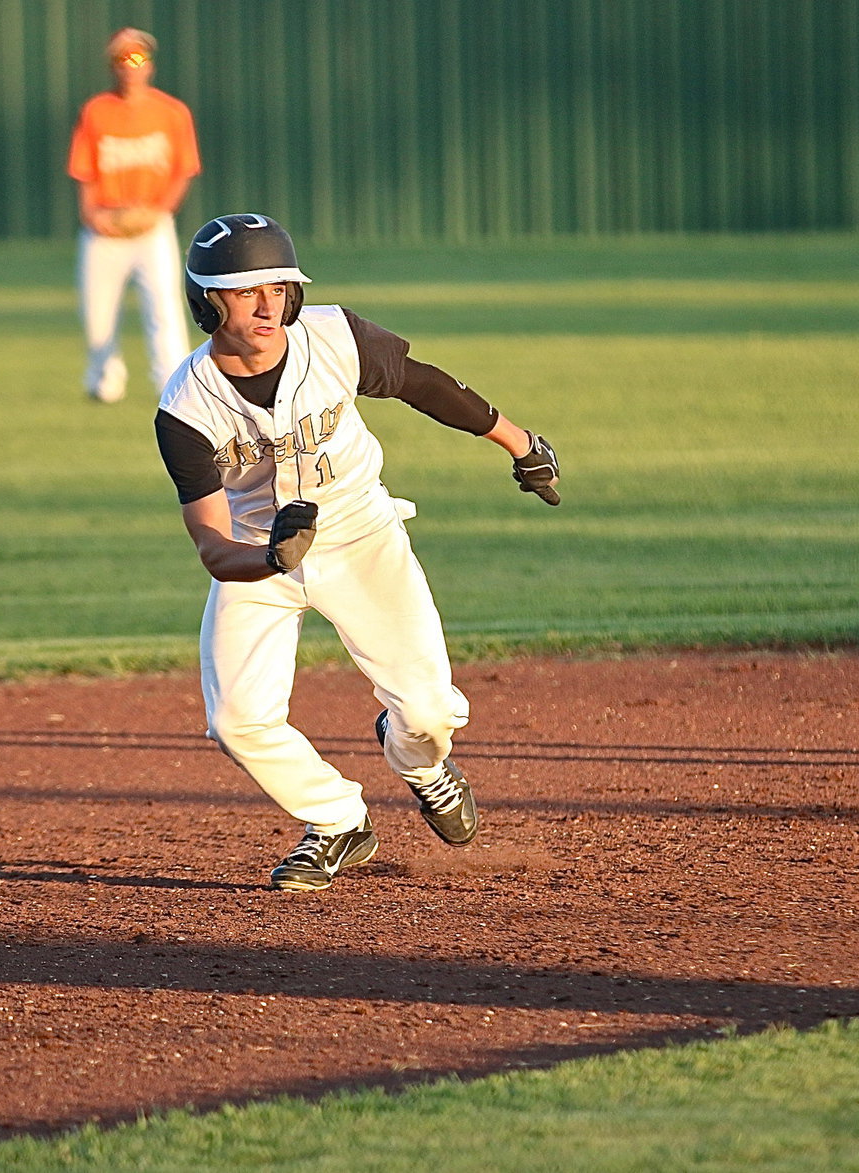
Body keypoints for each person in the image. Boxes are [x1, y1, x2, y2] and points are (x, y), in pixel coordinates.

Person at [154, 214, 561, 892]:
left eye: (279, 287)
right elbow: (213, 546)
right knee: (235, 719)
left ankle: (421, 765)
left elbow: (423, 383)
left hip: (362, 532)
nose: (268, 305)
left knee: (428, 714)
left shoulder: (334, 337)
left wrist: (519, 443)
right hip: (261, 551)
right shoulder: (186, 409)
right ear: (207, 302)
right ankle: (338, 820)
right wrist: (273, 560)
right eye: (246, 290)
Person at [67, 27, 201, 401]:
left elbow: (183, 170)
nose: (131, 65)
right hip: (105, 226)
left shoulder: (172, 113)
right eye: (123, 59)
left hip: (152, 226)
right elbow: (85, 171)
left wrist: (159, 211)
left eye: (138, 57)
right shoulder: (97, 112)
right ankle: (103, 379)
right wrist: (91, 215)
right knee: (97, 315)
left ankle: (171, 383)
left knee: (164, 307)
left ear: (150, 65)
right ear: (113, 66)